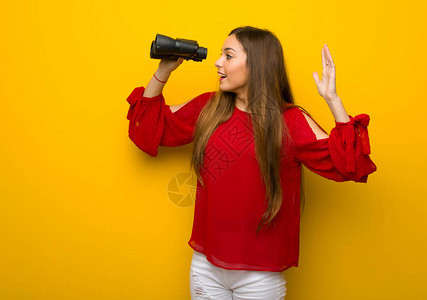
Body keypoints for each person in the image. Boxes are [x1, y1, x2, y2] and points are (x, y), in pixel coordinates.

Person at [125, 26, 377, 300]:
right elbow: (148, 128)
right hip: (205, 266)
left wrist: (333, 100)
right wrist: (163, 71)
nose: (218, 62)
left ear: (256, 64)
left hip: (260, 275)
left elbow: (348, 165)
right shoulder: (210, 108)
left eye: (228, 56)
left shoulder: (290, 121)